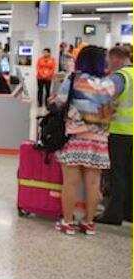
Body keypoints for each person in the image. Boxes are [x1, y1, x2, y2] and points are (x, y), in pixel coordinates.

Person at [52, 46, 117, 235]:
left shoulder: (74, 79)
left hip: (76, 137)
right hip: (99, 140)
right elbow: (110, 109)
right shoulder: (109, 84)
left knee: (71, 182)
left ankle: (68, 222)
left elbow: (59, 103)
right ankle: (89, 223)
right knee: (94, 183)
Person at [95, 46, 133, 225]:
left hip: (120, 132)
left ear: (116, 59)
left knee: (116, 174)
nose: (108, 65)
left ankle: (113, 214)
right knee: (130, 173)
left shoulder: (120, 76)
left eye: (109, 62)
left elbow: (102, 96)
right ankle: (129, 212)